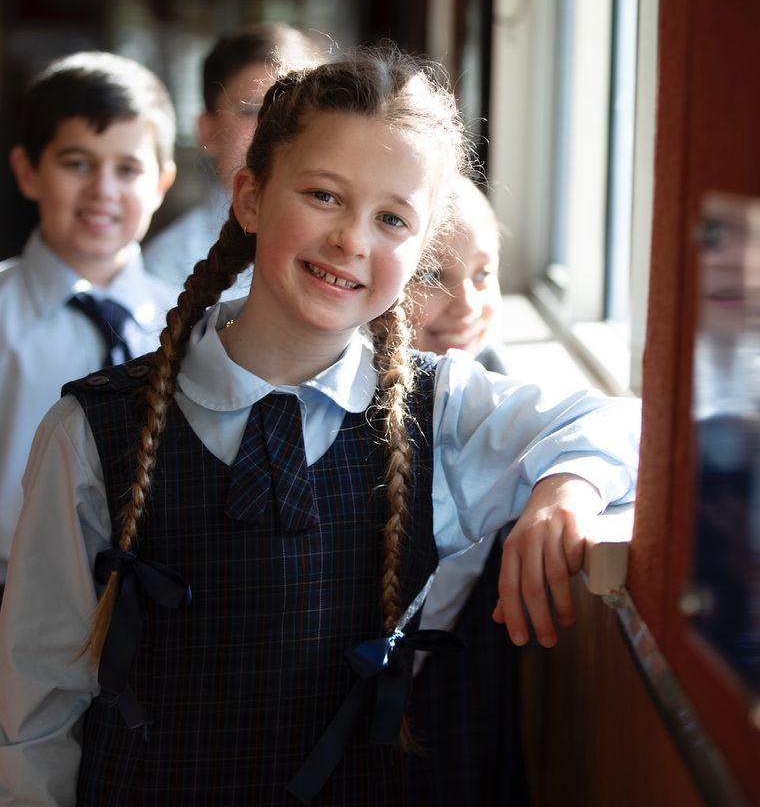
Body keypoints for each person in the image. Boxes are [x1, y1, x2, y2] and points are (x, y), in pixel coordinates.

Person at [0, 46, 640, 807]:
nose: (351, 240)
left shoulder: (443, 408)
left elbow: (616, 423)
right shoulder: (89, 430)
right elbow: (37, 713)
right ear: (249, 196)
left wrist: (565, 492)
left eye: (392, 218)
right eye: (325, 196)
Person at [0, 51, 177, 605]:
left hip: (153, 608)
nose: (103, 189)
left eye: (127, 169)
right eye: (77, 163)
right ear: (29, 171)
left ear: (162, 182)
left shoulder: (194, 325)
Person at [405, 174, 528, 804]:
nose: (467, 304)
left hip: (453, 706)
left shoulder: (516, 416)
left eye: (484, 274)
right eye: (432, 276)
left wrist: (566, 487)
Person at [143, 22, 320, 295]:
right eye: (250, 111)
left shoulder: (349, 241)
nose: (273, 128)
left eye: (291, 109)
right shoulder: (171, 264)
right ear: (207, 131)